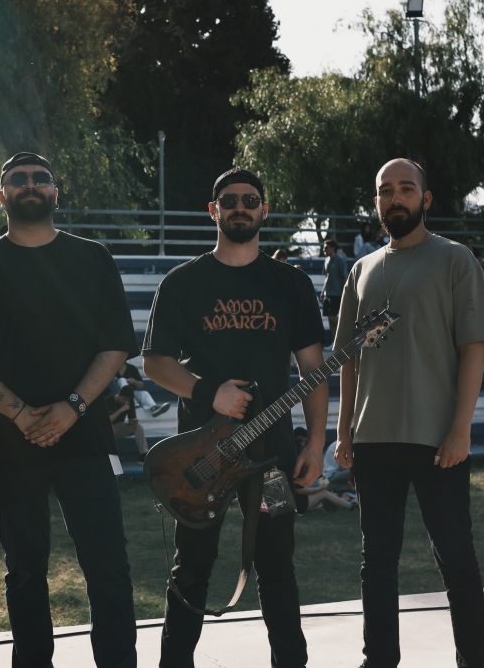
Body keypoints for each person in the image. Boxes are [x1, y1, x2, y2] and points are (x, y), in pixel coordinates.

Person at [143, 167, 328, 668]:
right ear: (214, 210)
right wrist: (210, 392)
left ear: (264, 209)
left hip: (273, 460)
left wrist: (315, 444)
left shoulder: (291, 283)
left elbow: (313, 371)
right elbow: (155, 364)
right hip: (202, 457)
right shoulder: (183, 283)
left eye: (250, 200)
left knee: (277, 566)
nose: (240, 207)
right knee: (192, 568)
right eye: (229, 200)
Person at [0, 151, 138, 668]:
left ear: (56, 192)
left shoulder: (92, 257)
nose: (30, 184)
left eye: (41, 178)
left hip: (84, 436)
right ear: (1, 195)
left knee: (108, 568)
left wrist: (73, 407)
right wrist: (20, 413)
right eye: (19, 179)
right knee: (25, 571)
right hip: (8, 439)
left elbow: (115, 346)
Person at [333, 158, 484, 668]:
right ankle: (379, 659)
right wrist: (343, 429)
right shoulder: (360, 270)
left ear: (425, 199)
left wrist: (460, 429)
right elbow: (348, 359)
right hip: (373, 439)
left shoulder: (455, 260)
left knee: (456, 558)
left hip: (437, 440)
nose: (395, 198)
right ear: (376, 201)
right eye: (386, 191)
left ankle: (474, 660)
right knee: (377, 563)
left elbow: (473, 348)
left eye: (406, 189)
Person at [105, 389, 149, 460]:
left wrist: (133, 422)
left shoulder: (129, 402)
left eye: (127, 400)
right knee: (110, 429)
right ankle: (109, 456)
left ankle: (144, 453)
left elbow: (132, 418)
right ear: (119, 395)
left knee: (138, 427)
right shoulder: (107, 401)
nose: (125, 401)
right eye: (124, 399)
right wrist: (121, 410)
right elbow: (106, 422)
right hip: (107, 428)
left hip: (120, 426)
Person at [322, 238, 349, 346]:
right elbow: (326, 277)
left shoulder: (340, 260)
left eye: (326, 248)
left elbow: (345, 277)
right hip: (327, 294)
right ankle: (335, 343)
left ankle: (345, 334)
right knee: (329, 318)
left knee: (333, 317)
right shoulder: (326, 260)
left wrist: (344, 292)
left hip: (337, 293)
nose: (324, 250)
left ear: (333, 248)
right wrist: (323, 291)